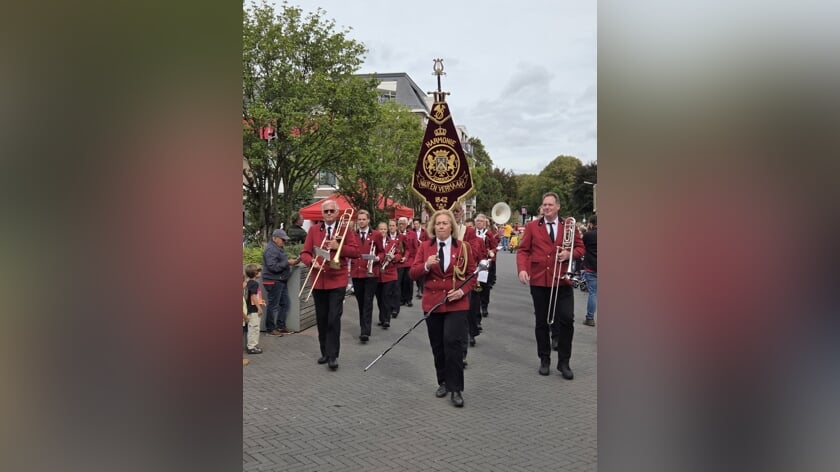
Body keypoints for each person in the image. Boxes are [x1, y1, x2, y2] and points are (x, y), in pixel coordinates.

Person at [410, 209, 477, 408]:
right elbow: (413, 273)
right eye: (437, 223)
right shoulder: (424, 247)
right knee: (438, 345)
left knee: (453, 342)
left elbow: (472, 275)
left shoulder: (463, 247)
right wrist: (426, 266)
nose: (441, 226)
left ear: (451, 227)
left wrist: (462, 292)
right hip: (432, 303)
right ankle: (443, 382)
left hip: (456, 303)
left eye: (445, 223)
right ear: (433, 226)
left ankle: (456, 389)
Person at [516, 192, 584, 379]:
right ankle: (544, 359)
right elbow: (523, 250)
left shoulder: (569, 225)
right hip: (539, 280)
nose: (546, 208)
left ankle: (564, 362)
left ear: (558, 207)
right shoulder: (532, 226)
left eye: (550, 205)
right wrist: (522, 269)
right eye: (544, 205)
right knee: (541, 322)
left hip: (562, 280)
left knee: (567, 320)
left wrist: (569, 255)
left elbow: (580, 248)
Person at [299, 200, 360, 370]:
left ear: (337, 212)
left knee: (334, 318)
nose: (329, 213)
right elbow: (304, 252)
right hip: (319, 282)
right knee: (322, 318)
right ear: (322, 213)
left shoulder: (345, 229)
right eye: (326, 211)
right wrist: (311, 262)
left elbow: (355, 252)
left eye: (332, 210)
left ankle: (333, 355)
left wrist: (338, 245)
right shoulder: (313, 230)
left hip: (337, 280)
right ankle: (324, 352)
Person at [351, 210, 384, 343]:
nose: (361, 221)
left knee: (368, 301)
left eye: (364, 219)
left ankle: (365, 331)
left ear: (368, 220)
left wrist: (377, 258)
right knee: (360, 302)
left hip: (371, 273)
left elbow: (382, 252)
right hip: (357, 273)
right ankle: (363, 326)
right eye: (359, 219)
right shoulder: (353, 235)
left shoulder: (376, 234)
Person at [262, 228, 297, 336]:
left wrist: (288, 262)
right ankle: (270, 328)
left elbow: (277, 264)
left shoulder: (276, 247)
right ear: (275, 238)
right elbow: (273, 267)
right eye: (282, 239)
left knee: (285, 304)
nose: (284, 242)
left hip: (279, 280)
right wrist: (287, 262)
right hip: (273, 280)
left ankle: (280, 326)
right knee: (274, 305)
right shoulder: (271, 249)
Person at [377, 221, 402, 327]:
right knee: (379, 297)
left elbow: (399, 254)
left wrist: (394, 257)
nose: (382, 231)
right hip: (377, 273)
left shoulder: (392, 242)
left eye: (384, 229)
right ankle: (382, 318)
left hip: (390, 273)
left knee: (386, 296)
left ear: (387, 230)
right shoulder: (375, 242)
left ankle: (387, 319)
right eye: (380, 229)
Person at [244, 264, 266, 355]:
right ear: (255, 273)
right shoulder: (255, 284)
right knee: (254, 328)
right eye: (259, 271)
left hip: (250, 308)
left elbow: (253, 296)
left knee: (253, 327)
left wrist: (261, 301)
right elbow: (253, 296)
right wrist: (259, 308)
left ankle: (253, 345)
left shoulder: (248, 282)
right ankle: (251, 347)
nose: (260, 273)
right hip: (253, 310)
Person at [397, 217, 418, 309]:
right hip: (399, 260)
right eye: (399, 223)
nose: (401, 225)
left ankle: (409, 299)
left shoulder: (412, 234)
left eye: (402, 223)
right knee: (400, 280)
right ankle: (401, 299)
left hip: (410, 260)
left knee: (408, 280)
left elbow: (416, 248)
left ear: (406, 225)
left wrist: (416, 261)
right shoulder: (396, 234)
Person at [581, 214, 597, 326]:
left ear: (591, 224)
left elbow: (582, 247)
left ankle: (590, 318)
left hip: (592, 267)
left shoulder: (588, 235)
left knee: (593, 293)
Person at [412, 218, 429, 299]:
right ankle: (419, 288)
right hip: (414, 253)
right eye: (414, 224)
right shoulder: (411, 231)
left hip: (422, 254)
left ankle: (421, 289)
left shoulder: (424, 232)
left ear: (420, 224)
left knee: (421, 272)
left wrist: (422, 243)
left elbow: (428, 242)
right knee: (416, 272)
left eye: (417, 224)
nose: (415, 225)